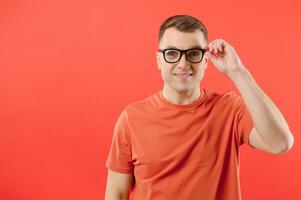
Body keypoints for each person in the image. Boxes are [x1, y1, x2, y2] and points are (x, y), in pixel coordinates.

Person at [104, 15, 294, 200]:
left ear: (205, 60)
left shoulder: (229, 110)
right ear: (159, 60)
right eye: (172, 53)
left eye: (193, 53)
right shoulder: (131, 118)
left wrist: (238, 72)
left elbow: (280, 143)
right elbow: (116, 195)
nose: (183, 63)